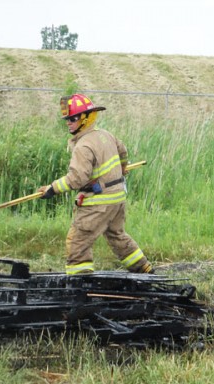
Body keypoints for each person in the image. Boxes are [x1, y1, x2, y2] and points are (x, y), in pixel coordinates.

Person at [38, 93, 153, 275]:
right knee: (117, 236)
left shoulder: (83, 146)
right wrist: (123, 167)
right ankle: (144, 268)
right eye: (67, 119)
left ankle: (79, 280)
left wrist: (53, 188)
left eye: (73, 119)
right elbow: (123, 151)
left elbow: (77, 178)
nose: (68, 123)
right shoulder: (106, 135)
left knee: (78, 241)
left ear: (86, 118)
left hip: (98, 203)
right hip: (117, 198)